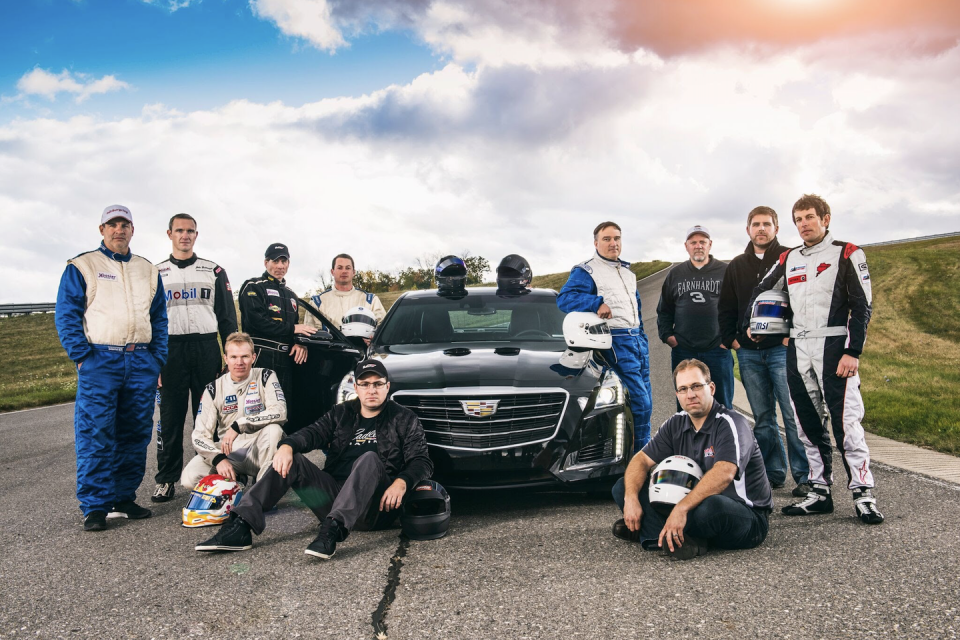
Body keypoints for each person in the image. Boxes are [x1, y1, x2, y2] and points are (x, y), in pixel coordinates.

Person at [195, 359, 433, 558]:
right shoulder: (341, 413)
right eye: (365, 384)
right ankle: (241, 526)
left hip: (375, 506)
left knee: (369, 459)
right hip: (332, 498)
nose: (371, 390)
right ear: (356, 387)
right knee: (294, 460)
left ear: (387, 386)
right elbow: (312, 433)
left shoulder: (404, 418)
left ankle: (331, 533)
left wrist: (401, 482)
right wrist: (287, 446)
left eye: (378, 384)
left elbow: (422, 461)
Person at [747, 194, 883, 524]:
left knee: (846, 424)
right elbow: (762, 291)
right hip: (797, 351)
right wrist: (760, 326)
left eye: (809, 217)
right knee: (806, 424)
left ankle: (863, 493)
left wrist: (853, 352)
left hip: (836, 349)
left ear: (825, 218)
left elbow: (862, 307)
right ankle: (819, 491)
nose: (804, 224)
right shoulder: (789, 258)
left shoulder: (848, 252)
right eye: (798, 219)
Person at [55, 204, 168, 532]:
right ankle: (95, 505)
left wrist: (156, 357)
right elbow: (67, 314)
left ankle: (123, 497)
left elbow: (159, 317)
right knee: (97, 431)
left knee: (135, 431)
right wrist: (82, 356)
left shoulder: (147, 270)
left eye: (125, 224)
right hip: (99, 360)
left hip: (141, 360)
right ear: (102, 229)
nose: (119, 229)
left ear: (133, 229)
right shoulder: (83, 265)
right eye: (113, 224)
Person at [611, 359, 772, 559]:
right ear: (677, 395)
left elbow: (725, 473)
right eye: (683, 389)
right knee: (622, 486)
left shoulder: (732, 423)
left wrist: (682, 508)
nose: (691, 394)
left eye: (696, 386)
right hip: (693, 506)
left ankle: (655, 531)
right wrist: (631, 499)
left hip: (745, 515)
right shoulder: (675, 423)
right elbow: (640, 461)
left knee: (712, 507)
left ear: (711, 388)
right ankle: (667, 538)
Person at [718, 207, 811, 496]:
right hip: (748, 354)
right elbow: (726, 307)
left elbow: (802, 300)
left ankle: (805, 476)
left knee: (793, 413)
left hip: (782, 351)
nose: (761, 229)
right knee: (763, 418)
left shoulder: (791, 258)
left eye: (766, 224)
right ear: (748, 229)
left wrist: (789, 338)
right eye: (756, 224)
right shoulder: (736, 265)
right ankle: (773, 473)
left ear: (776, 228)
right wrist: (733, 340)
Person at [152, 213, 238, 503]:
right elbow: (146, 321)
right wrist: (153, 362)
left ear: (196, 235)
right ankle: (166, 479)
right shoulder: (156, 273)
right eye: (179, 231)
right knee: (170, 419)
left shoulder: (213, 271)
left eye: (190, 231)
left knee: (211, 418)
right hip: (170, 351)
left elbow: (227, 318)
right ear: (169, 234)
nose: (185, 235)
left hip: (205, 349)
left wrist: (230, 355)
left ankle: (215, 474)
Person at [557, 222, 653, 450]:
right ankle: (640, 457)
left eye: (617, 238)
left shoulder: (628, 273)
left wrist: (642, 334)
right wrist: (595, 302)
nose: (613, 243)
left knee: (646, 398)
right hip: (617, 342)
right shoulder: (586, 270)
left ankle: (643, 453)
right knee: (641, 403)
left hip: (638, 339)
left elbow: (636, 309)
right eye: (607, 239)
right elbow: (565, 298)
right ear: (596, 243)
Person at [180, 332, 286, 489]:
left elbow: (280, 411)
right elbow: (199, 436)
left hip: (260, 450)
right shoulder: (213, 389)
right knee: (189, 479)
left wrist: (239, 425)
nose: (240, 362)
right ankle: (235, 483)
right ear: (226, 359)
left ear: (253, 357)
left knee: (274, 430)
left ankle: (263, 489)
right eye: (234, 357)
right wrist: (218, 458)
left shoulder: (266, 376)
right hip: (230, 452)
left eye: (245, 356)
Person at [656, 225, 734, 410]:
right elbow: (664, 309)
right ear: (686, 246)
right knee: (687, 403)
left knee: (721, 403)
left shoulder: (726, 271)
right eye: (693, 242)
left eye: (702, 242)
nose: (698, 246)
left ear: (710, 244)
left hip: (717, 349)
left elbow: (737, 307)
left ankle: (723, 439)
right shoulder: (676, 274)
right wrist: (668, 337)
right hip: (684, 350)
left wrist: (729, 339)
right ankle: (689, 439)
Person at [238, 243, 316, 424]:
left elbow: (297, 326)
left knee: (281, 409)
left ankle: (279, 448)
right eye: (275, 261)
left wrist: (299, 342)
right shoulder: (253, 286)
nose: (280, 266)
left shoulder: (291, 294)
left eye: (284, 261)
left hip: (286, 358)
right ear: (266, 262)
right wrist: (292, 330)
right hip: (261, 355)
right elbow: (256, 322)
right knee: (256, 409)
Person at [304, 253, 386, 335]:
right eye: (340, 268)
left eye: (348, 268)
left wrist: (372, 337)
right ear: (332, 272)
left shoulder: (370, 300)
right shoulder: (317, 302)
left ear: (353, 272)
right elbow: (310, 334)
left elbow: (384, 329)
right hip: (328, 347)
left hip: (363, 347)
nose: (344, 271)